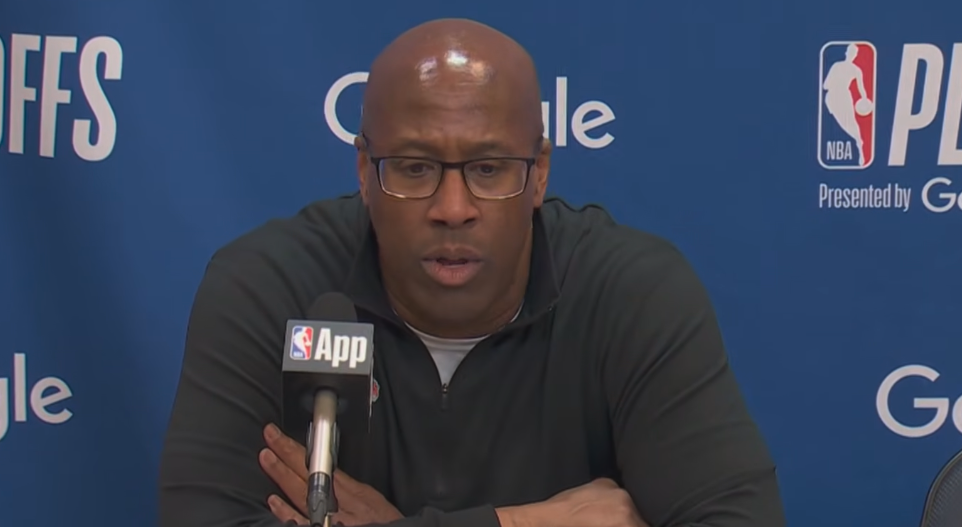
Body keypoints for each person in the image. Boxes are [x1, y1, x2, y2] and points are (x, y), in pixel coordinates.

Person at [156, 17, 786, 527]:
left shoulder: (630, 292)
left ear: (539, 174)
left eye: (488, 169)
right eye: (414, 167)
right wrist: (520, 523)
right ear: (364, 171)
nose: (453, 209)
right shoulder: (269, 285)